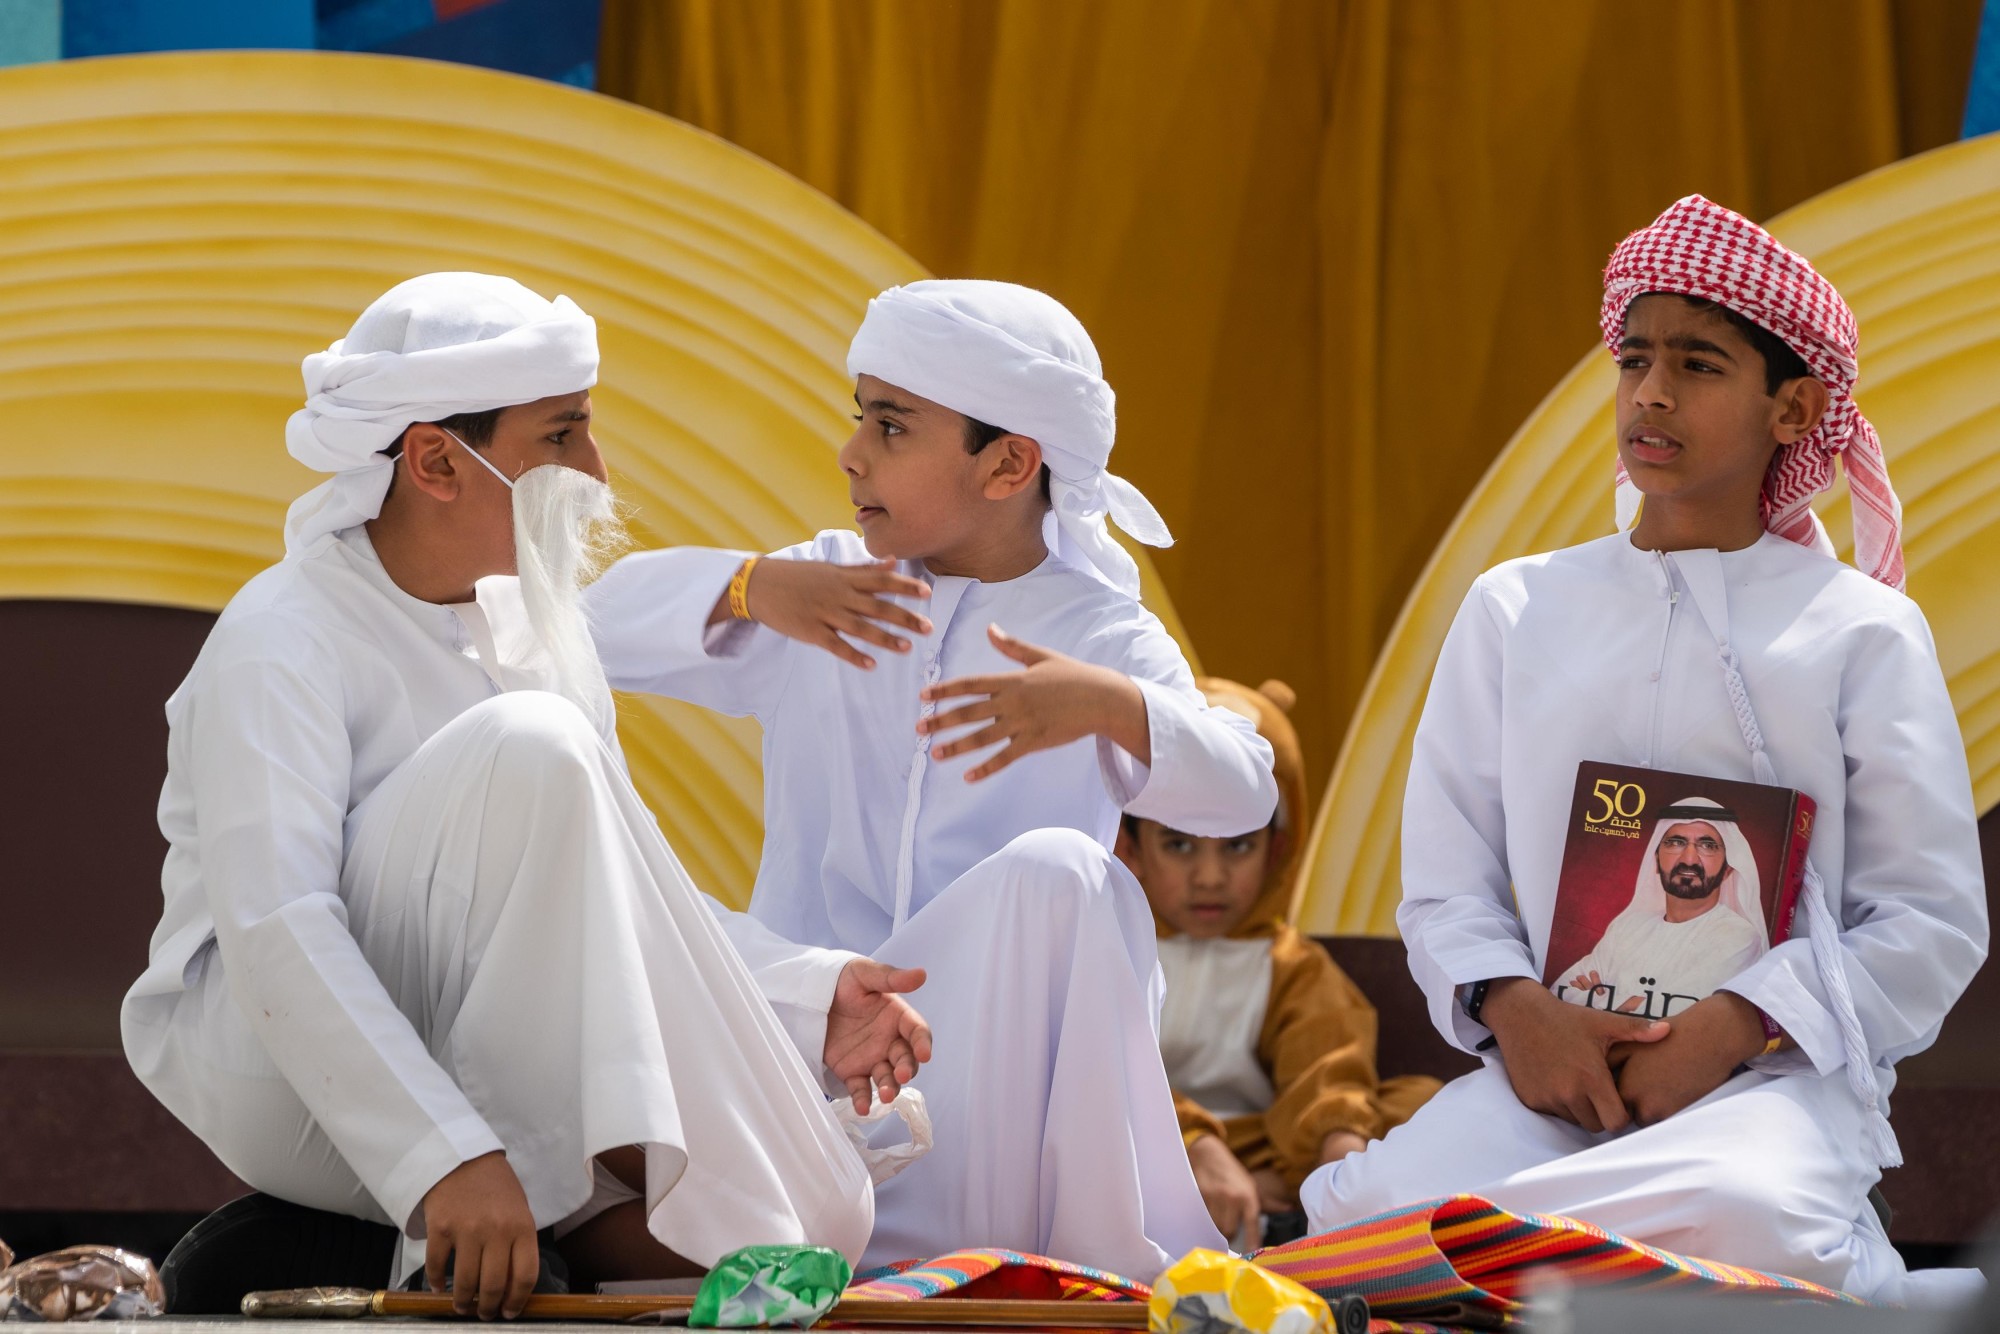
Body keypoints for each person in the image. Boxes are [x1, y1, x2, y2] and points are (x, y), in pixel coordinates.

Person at [121, 274, 931, 1319]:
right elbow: (276, 924)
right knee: (530, 744)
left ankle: (568, 1213)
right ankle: (528, 1194)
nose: (595, 470)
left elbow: (624, 886)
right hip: (284, 1073)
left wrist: (811, 993)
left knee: (816, 1212)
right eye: (562, 437)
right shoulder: (283, 633)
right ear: (432, 461)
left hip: (473, 1042)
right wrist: (442, 1156)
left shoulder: (537, 629)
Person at [1299, 197, 1987, 1303]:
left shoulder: (1856, 627)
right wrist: (1515, 1014)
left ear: (1792, 406)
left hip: (1767, 1085)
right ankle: (1736, 1280)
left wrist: (1732, 1026)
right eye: (1633, 357)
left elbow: (1928, 922)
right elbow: (1443, 884)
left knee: (1741, 1210)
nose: (1650, 392)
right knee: (1393, 1212)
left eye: (1698, 364)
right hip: (1546, 1077)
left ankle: (1827, 1267)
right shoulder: (1514, 607)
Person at [587, 279, 1279, 1278]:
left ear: (1007, 463)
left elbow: (1243, 790)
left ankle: (1015, 1270)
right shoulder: (824, 590)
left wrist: (1106, 705)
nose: (850, 452)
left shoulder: (1100, 635)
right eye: (857, 416)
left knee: (1063, 874)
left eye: (890, 424)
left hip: (989, 1070)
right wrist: (750, 585)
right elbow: (582, 629)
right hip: (811, 1046)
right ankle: (902, 1256)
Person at [1114, 677, 1439, 1251]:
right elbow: (1109, 1071)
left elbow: (1326, 1070)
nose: (1210, 877)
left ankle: (1284, 1194)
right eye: (1180, 844)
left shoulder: (1291, 964)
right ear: (1132, 848)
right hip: (1151, 1143)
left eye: (1236, 845)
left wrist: (1339, 1162)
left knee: (1425, 1103)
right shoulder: (1114, 947)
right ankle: (1224, 1191)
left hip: (1273, 1146)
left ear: (1279, 850)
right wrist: (1197, 1148)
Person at [1556, 798, 1767, 1017]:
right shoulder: (1627, 927)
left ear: (1728, 870)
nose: (1689, 859)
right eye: (1675, 842)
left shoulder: (1739, 936)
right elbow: (1559, 993)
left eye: (1707, 846)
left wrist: (1597, 1000)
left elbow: (1679, 1018)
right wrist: (1630, 1004)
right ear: (1656, 860)